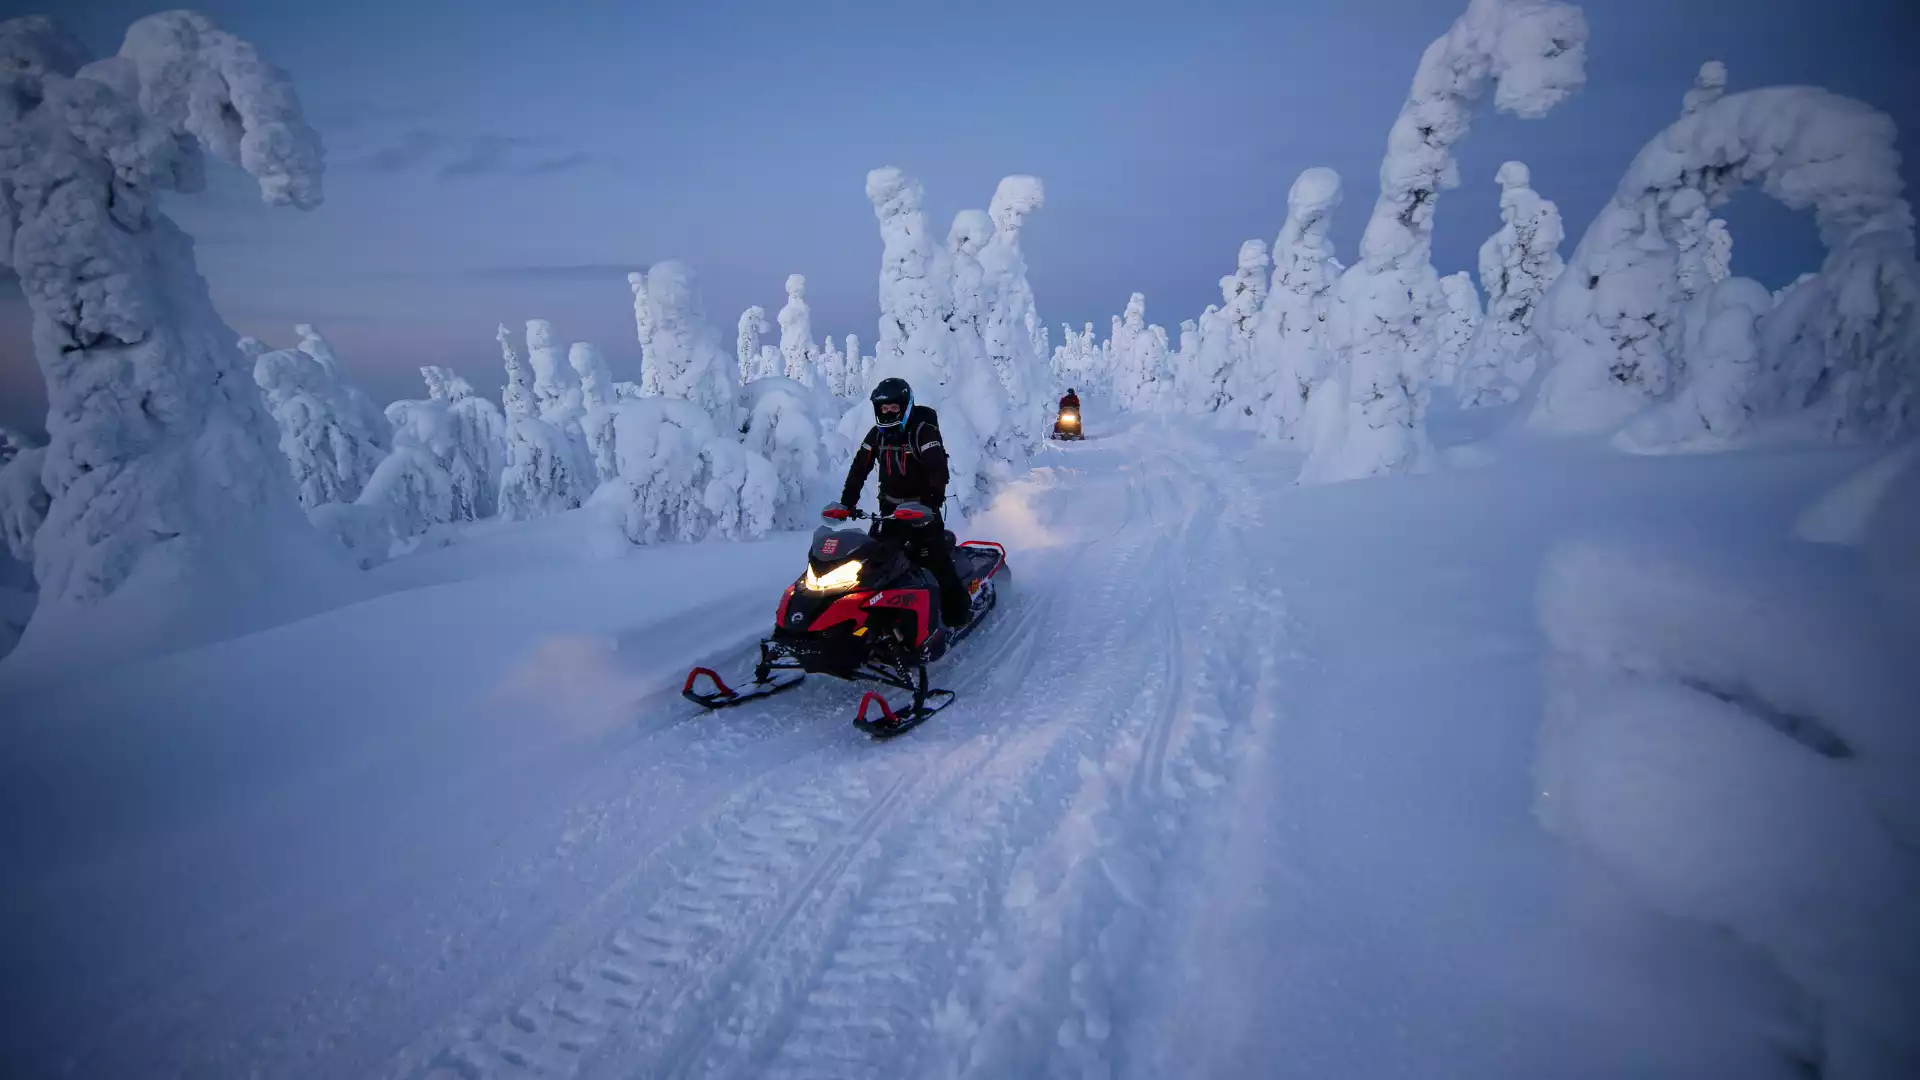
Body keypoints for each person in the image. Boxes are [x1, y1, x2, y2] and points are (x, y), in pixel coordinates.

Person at [824, 377, 972, 630]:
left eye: (894, 407)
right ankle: (871, 620)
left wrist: (930, 504)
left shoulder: (922, 431)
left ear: (905, 406)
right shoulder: (878, 435)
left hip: (922, 513)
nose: (889, 412)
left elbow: (938, 470)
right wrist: (847, 503)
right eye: (884, 408)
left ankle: (958, 614)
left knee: (935, 561)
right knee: (874, 564)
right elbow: (859, 468)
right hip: (890, 513)